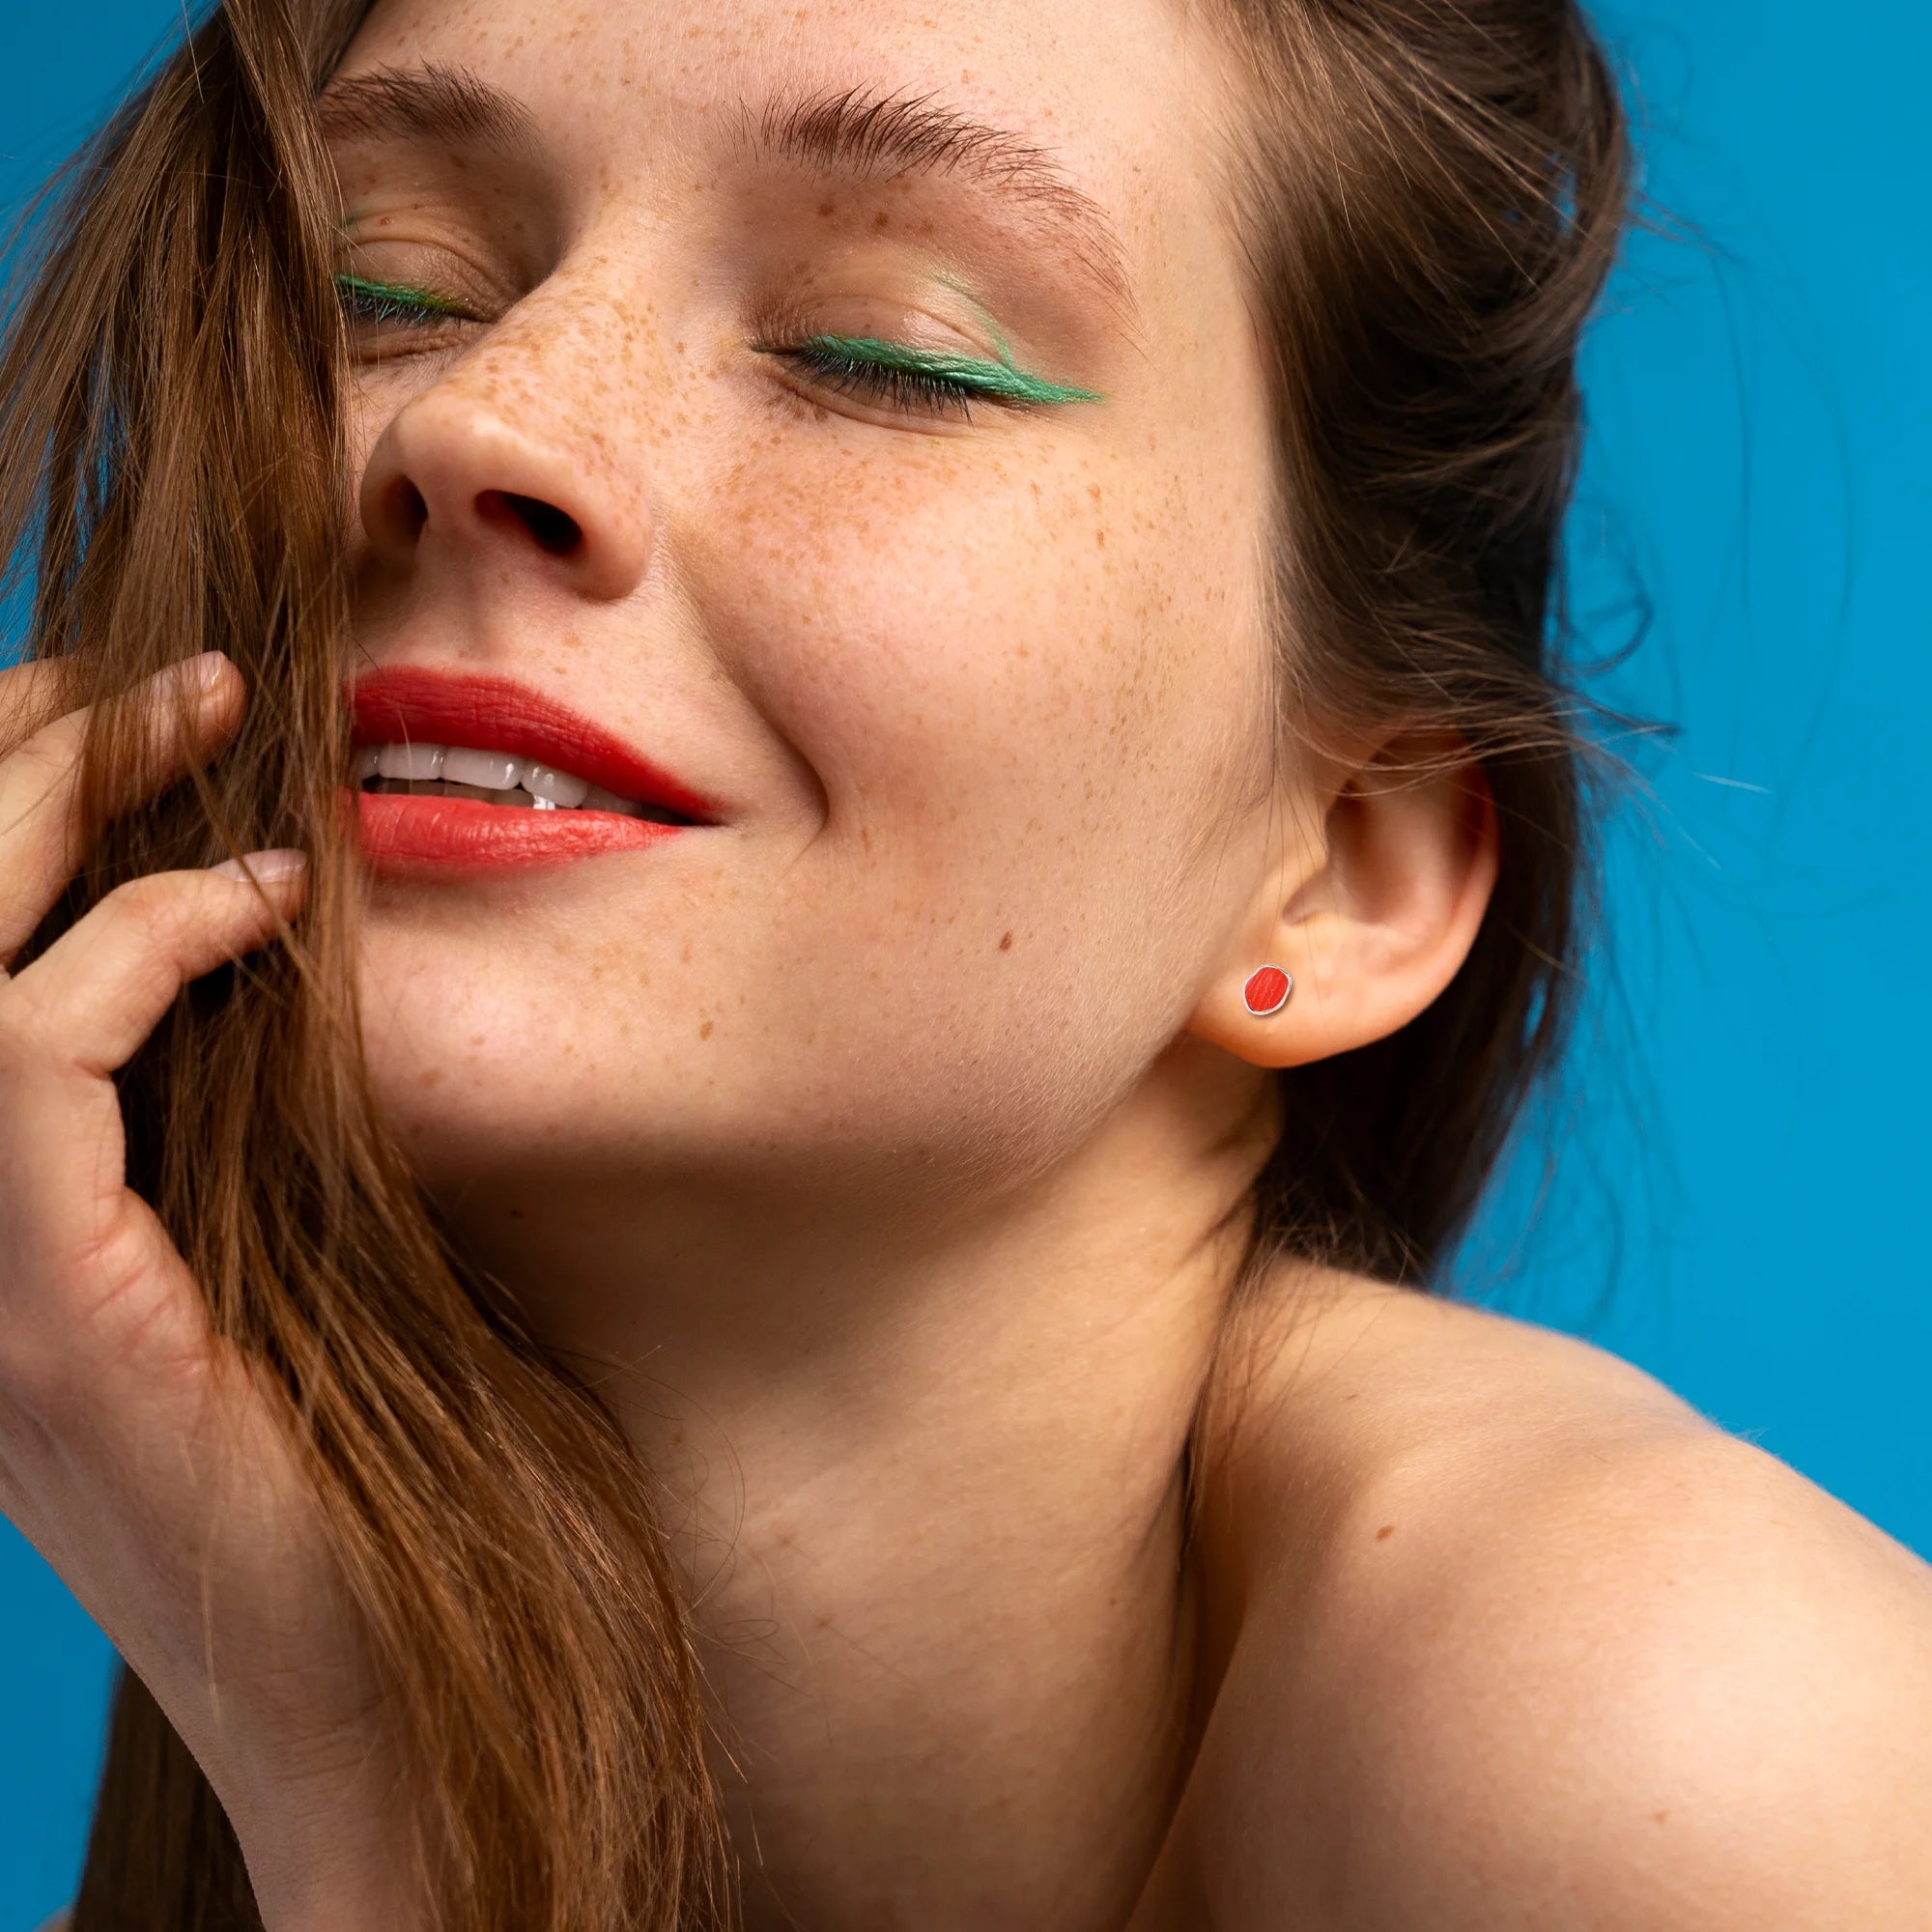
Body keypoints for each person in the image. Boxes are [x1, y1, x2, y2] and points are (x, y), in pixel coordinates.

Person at [3, 0, 1928, 1925]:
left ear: (1342, 871)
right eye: (387, 289)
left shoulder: (1665, 1745)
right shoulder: (238, 1655)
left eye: (883, 352)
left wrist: (357, 1816)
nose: (474, 418)